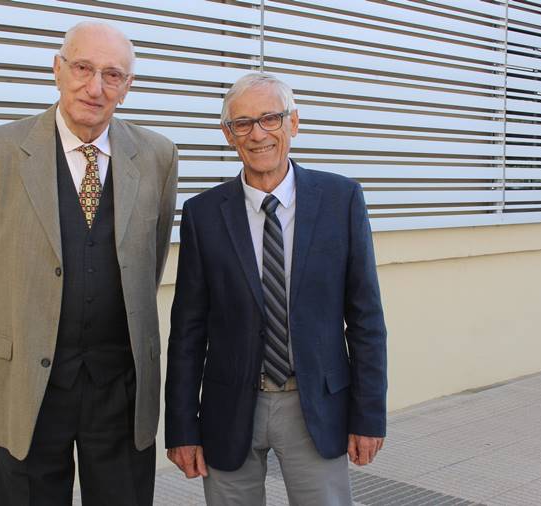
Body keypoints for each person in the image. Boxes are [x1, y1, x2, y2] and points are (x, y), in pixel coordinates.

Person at [0, 21, 178, 506]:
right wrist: (23, 328)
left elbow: (150, 259)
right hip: (30, 382)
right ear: (57, 69)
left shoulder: (158, 157)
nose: (95, 87)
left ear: (127, 86)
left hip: (120, 384)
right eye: (82, 68)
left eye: (112, 75)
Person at [164, 72, 387, 505]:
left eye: (270, 118)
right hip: (228, 410)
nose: (258, 134)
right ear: (228, 134)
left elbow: (366, 321)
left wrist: (369, 415)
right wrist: (182, 427)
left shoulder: (341, 200)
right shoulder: (202, 214)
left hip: (315, 406)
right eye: (243, 123)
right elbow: (187, 331)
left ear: (293, 123)